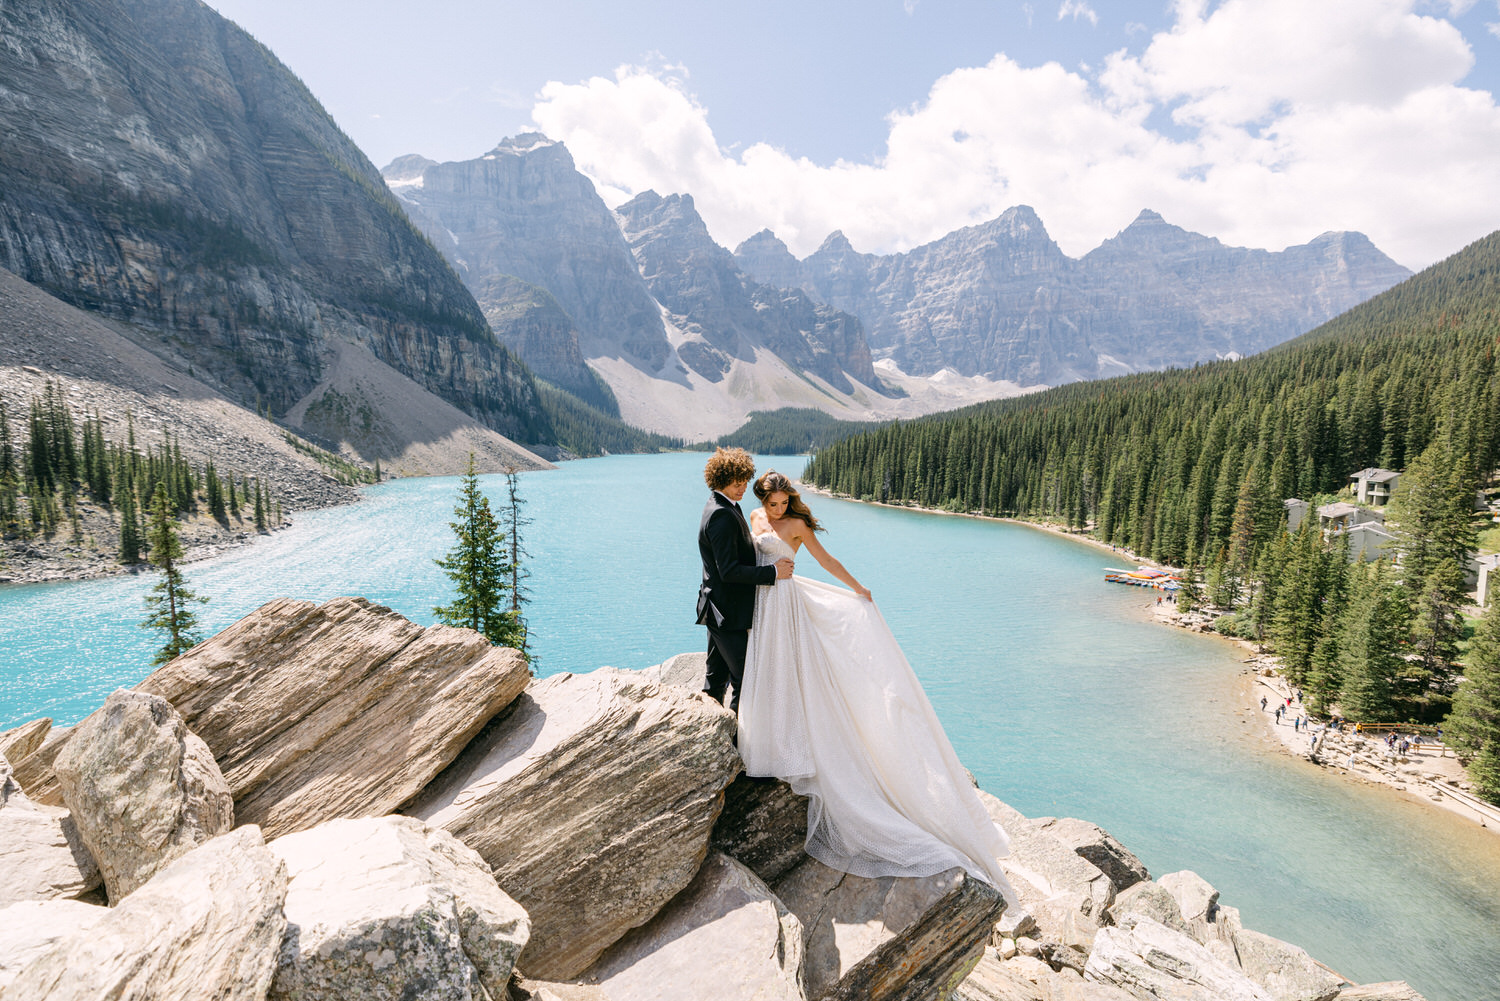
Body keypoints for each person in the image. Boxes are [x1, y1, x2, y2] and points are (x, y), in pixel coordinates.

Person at [736, 469, 1018, 901]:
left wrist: (857, 588)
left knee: (797, 674)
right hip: (764, 602)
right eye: (772, 504)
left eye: (783, 503)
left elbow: (826, 560)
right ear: (763, 500)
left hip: (788, 604)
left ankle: (797, 749)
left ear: (790, 499)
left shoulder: (797, 525)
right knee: (769, 669)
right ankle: (770, 742)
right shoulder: (753, 518)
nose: (778, 511)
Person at [696, 448, 793, 713]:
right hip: (726, 613)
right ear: (720, 480)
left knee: (715, 679)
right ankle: (739, 741)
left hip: (718, 609)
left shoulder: (723, 505)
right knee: (745, 679)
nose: (743, 489)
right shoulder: (722, 515)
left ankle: (710, 734)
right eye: (737, 484)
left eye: (745, 482)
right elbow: (729, 571)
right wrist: (772, 572)